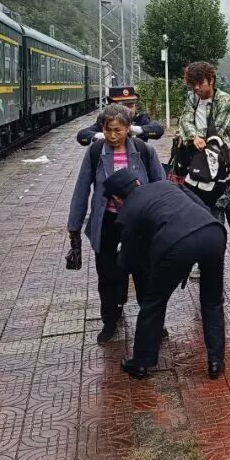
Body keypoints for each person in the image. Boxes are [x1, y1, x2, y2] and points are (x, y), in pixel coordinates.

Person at [106, 171, 227, 381]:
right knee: (212, 301)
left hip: (176, 245)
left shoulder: (127, 212)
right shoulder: (169, 185)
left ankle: (141, 362)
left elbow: (128, 258)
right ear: (137, 182)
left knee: (154, 302)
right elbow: (201, 206)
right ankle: (216, 362)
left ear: (117, 198)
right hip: (213, 233)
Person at [67, 104, 165, 344]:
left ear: (128, 128)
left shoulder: (143, 150)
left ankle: (152, 322)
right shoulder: (95, 153)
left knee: (144, 273)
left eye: (118, 130)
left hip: (138, 222)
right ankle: (110, 321)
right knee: (107, 274)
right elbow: (82, 189)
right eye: (108, 130)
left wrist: (163, 221)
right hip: (107, 221)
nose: (112, 136)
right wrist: (74, 226)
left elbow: (161, 187)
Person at [176, 61, 230, 214]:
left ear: (211, 80)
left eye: (200, 83)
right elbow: (185, 119)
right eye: (193, 84)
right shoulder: (192, 97)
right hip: (196, 157)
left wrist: (189, 135)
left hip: (218, 158)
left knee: (216, 204)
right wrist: (194, 136)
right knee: (194, 202)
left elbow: (216, 131)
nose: (196, 88)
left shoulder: (224, 99)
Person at [77, 86, 164, 145]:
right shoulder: (106, 121)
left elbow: (158, 131)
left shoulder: (140, 119)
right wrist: (102, 136)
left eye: (131, 106)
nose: (129, 110)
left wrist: (135, 130)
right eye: (124, 106)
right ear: (112, 106)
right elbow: (82, 137)